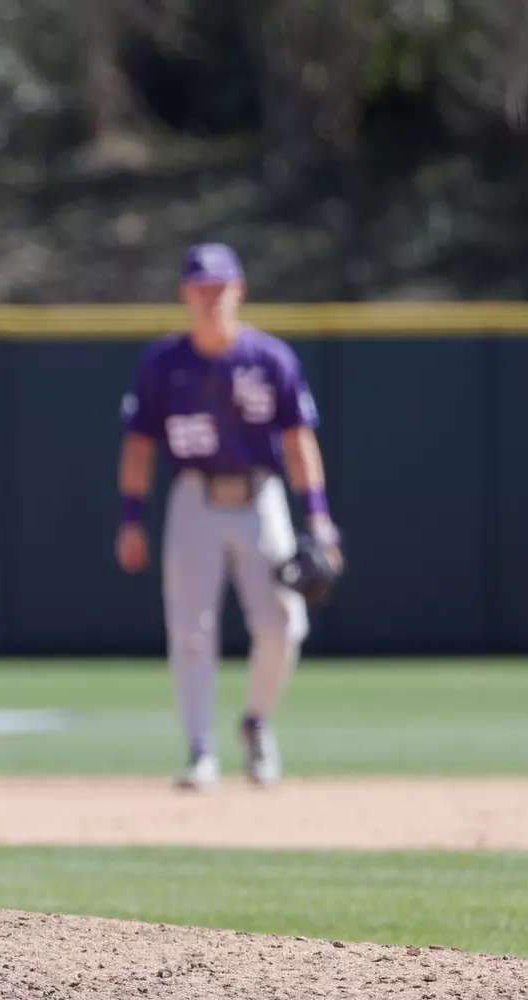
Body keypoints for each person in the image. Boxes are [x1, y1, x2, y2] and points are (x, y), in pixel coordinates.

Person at [114, 243, 343, 791]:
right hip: (194, 497)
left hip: (261, 496)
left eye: (221, 287)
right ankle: (200, 752)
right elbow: (139, 445)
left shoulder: (270, 358)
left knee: (284, 625)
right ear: (185, 294)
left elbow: (299, 440)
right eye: (202, 288)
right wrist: (130, 517)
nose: (212, 298)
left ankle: (256, 721)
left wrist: (318, 519)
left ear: (240, 290)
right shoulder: (163, 363)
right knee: (191, 631)